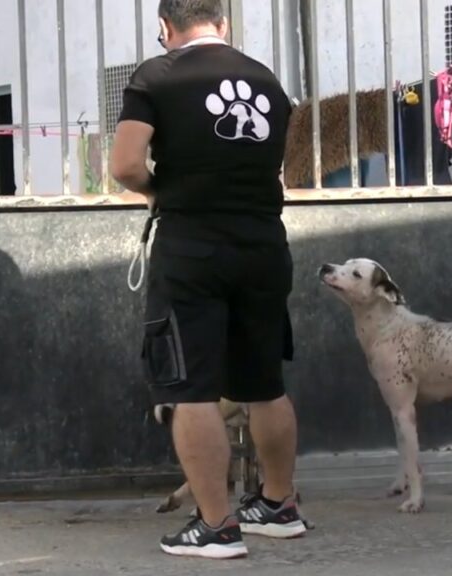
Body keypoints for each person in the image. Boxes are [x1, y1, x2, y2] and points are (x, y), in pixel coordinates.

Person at [110, 0, 305, 560]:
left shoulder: (157, 75)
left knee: (191, 389)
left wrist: (159, 191)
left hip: (193, 247)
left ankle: (217, 525)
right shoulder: (265, 80)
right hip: (264, 243)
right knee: (264, 383)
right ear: (223, 24)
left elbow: (125, 165)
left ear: (165, 27)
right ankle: (278, 505)